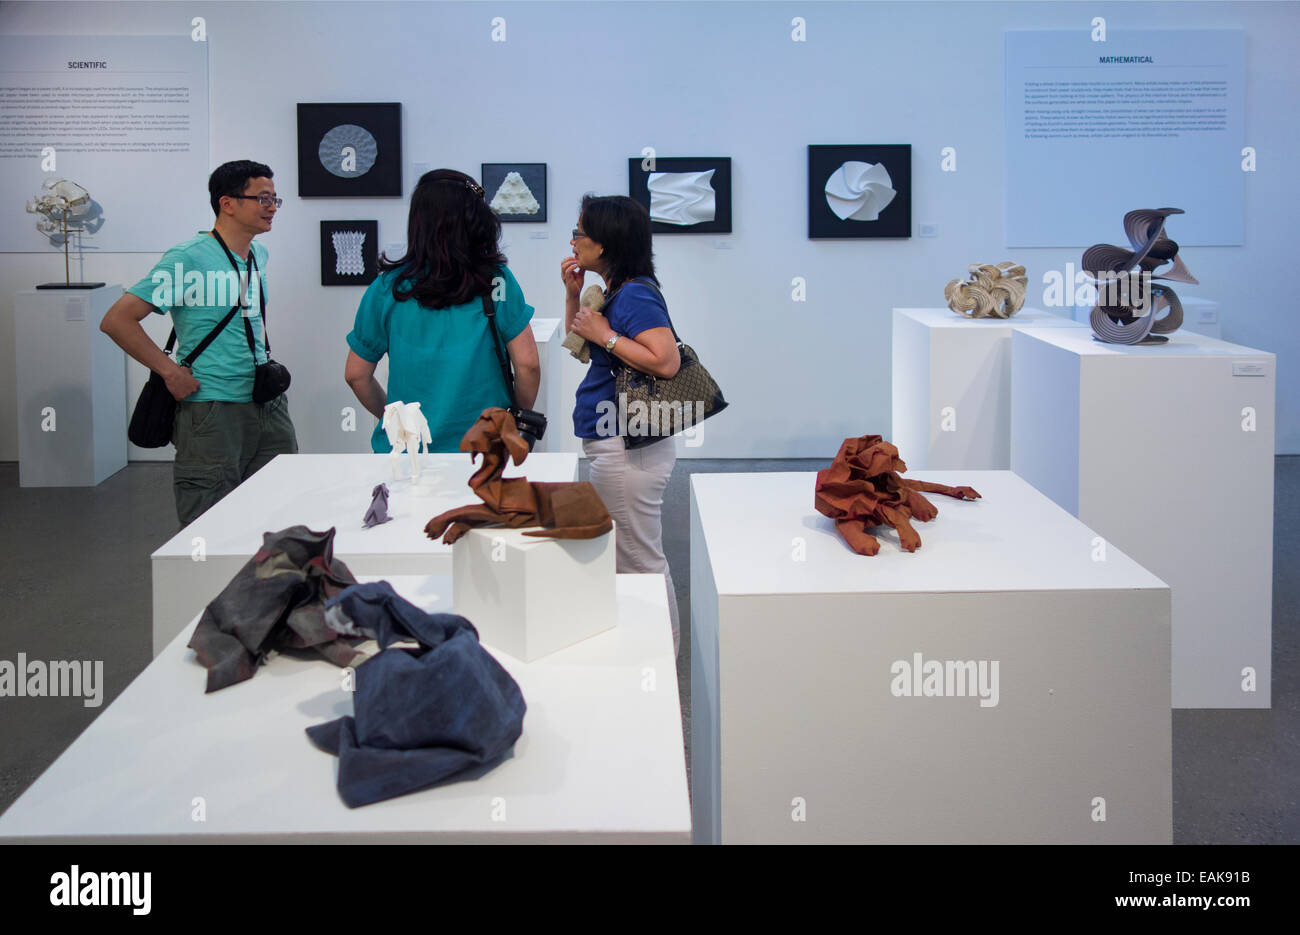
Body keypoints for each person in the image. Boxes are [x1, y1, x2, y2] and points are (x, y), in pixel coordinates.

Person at [100, 159, 297, 526]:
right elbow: (117, 320)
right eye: (262, 198)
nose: (271, 207)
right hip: (212, 410)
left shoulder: (258, 254)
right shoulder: (188, 257)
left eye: (275, 199)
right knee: (211, 523)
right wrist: (170, 373)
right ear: (228, 203)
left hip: (266, 403)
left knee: (278, 513)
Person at [562, 194, 683, 654]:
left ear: (606, 244)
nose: (572, 240)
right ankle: (648, 660)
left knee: (639, 561)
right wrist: (575, 294)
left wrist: (606, 334)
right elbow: (589, 349)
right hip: (620, 442)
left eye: (580, 233)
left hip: (627, 445)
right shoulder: (619, 288)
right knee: (630, 555)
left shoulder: (633, 294)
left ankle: (661, 669)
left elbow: (665, 361)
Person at [345, 169, 539, 453]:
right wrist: (515, 417)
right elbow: (528, 365)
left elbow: (356, 375)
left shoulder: (387, 287)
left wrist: (393, 419)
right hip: (484, 446)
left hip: (408, 448)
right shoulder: (496, 281)